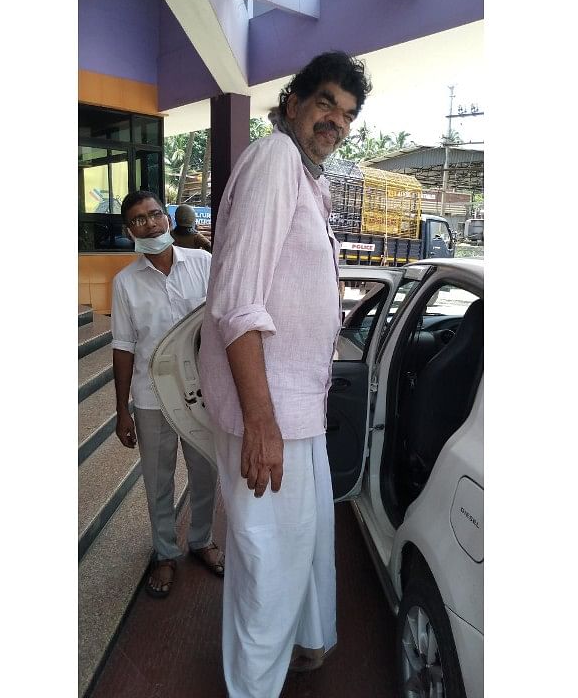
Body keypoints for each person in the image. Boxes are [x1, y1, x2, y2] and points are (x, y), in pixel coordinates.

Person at [197, 51, 371, 697]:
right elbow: (237, 303)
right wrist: (261, 420)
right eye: (326, 103)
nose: (337, 121)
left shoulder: (306, 177)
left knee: (300, 544)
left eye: (348, 114)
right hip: (271, 411)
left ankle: (306, 644)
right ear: (293, 102)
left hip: (297, 408)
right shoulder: (274, 160)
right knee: (267, 566)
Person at [110, 190, 223, 600]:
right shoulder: (125, 283)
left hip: (200, 393)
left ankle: (202, 540)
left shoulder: (205, 264)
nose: (150, 223)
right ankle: (164, 552)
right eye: (139, 220)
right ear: (130, 231)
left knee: (205, 469)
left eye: (155, 214)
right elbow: (123, 347)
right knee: (157, 478)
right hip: (151, 396)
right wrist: (122, 411)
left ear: (168, 216)